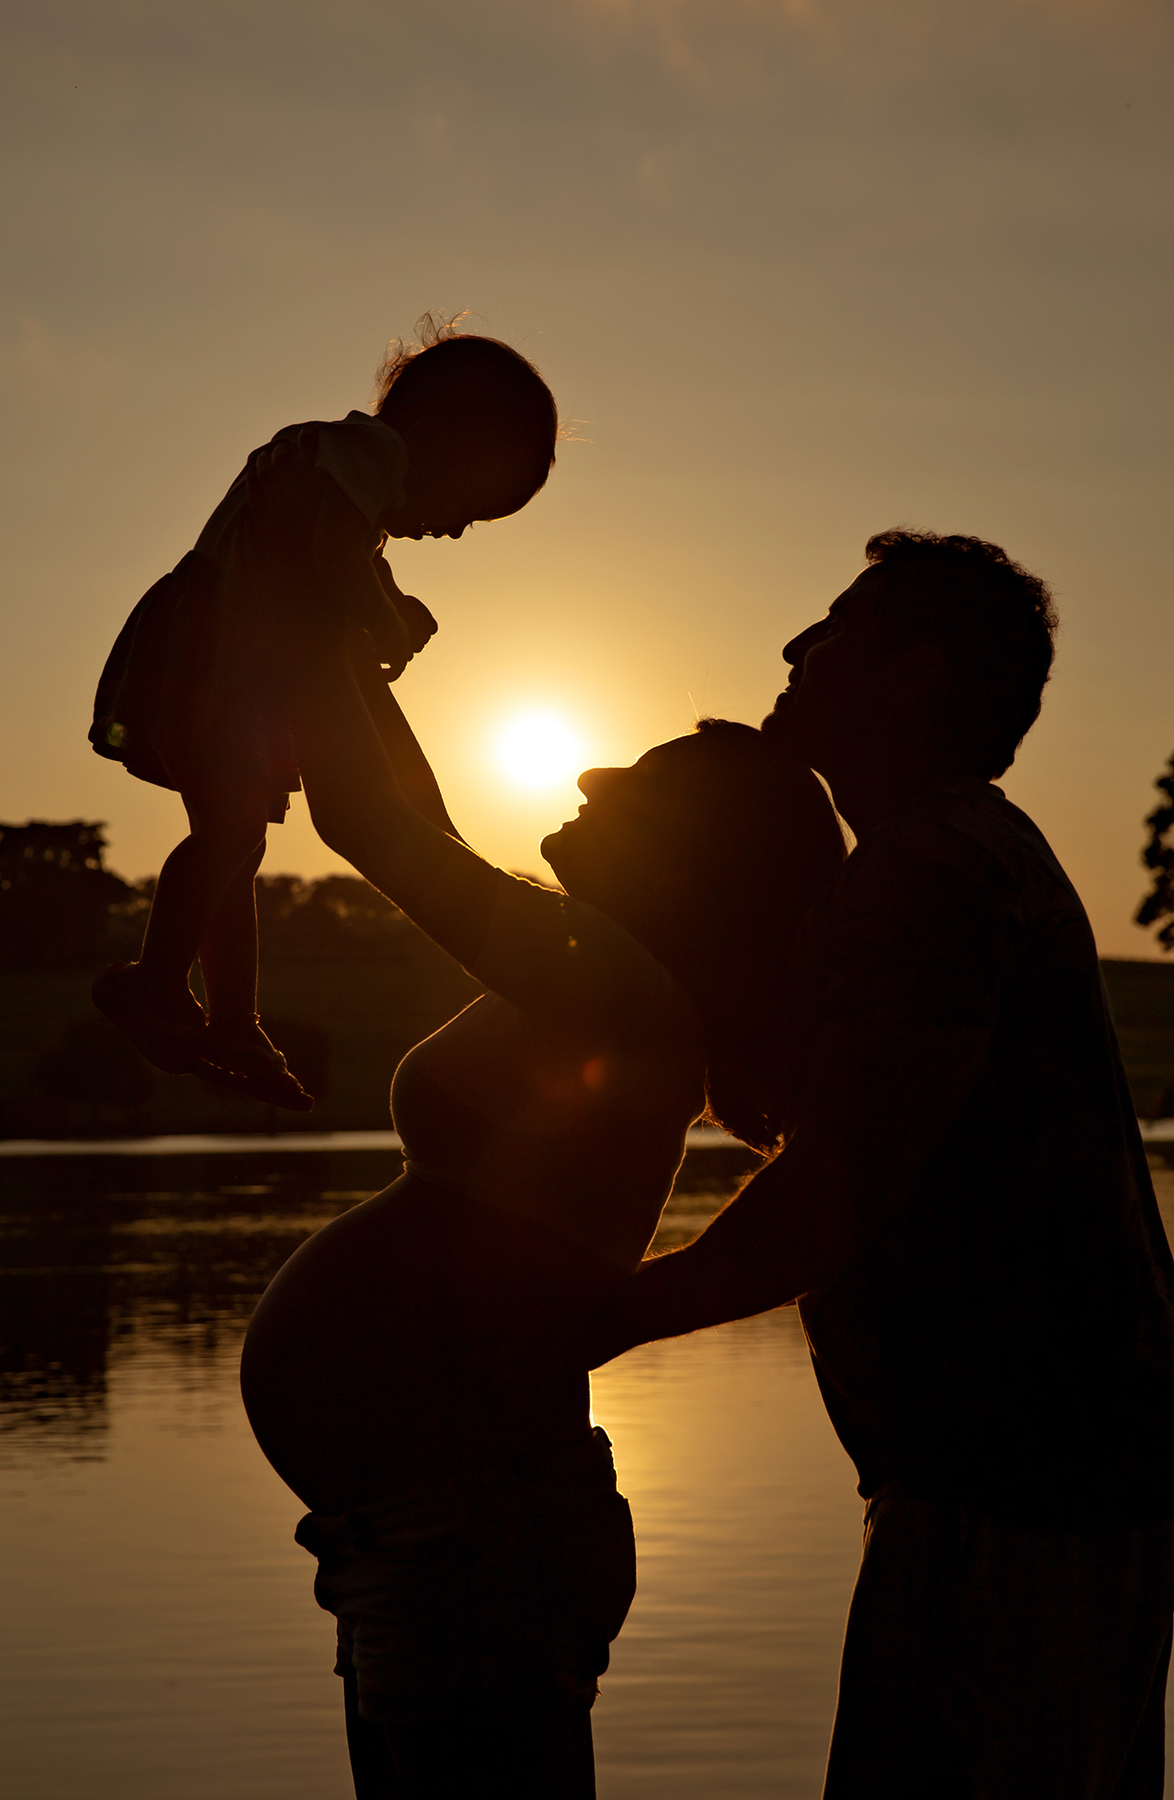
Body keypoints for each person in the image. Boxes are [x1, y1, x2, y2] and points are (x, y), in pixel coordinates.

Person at [590, 529, 1174, 1798]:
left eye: (835, 629)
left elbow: (831, 1196)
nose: (796, 651)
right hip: (1037, 1485)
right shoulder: (952, 859)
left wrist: (576, 1326)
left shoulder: (934, 870)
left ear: (912, 673)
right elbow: (798, 1107)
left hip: (1023, 1499)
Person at [237, 582, 846, 1796]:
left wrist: (298, 614)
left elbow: (373, 824)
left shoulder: (613, 986)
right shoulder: (590, 968)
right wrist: (352, 654)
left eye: (643, 780)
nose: (591, 782)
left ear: (692, 853)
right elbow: (417, 813)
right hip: (432, 1528)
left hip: (472, 1536)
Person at [88, 318, 557, 1108]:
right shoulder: (356, 452)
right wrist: (387, 611)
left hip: (237, 673)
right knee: (232, 836)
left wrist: (382, 605)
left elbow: (335, 565)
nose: (453, 530)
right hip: (219, 663)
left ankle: (235, 1018)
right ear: (434, 439)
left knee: (233, 847)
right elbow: (333, 555)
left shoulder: (349, 489)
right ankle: (153, 984)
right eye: (468, 508)